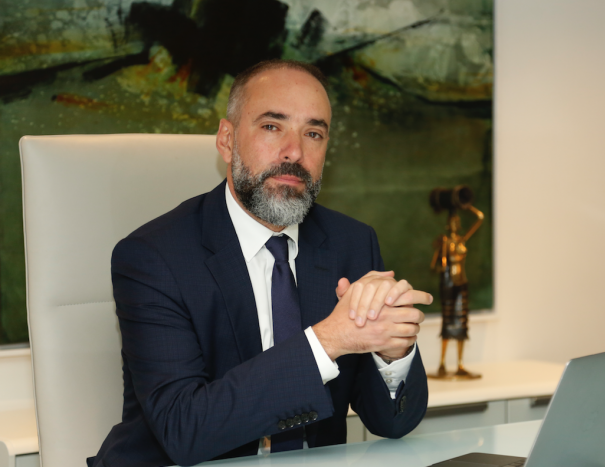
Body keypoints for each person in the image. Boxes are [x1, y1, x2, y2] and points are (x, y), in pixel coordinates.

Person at [89, 60, 432, 467]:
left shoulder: (352, 244)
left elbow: (392, 423)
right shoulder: (154, 257)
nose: (295, 151)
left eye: (314, 133)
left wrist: (392, 354)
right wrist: (328, 341)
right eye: (272, 126)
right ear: (227, 140)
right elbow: (184, 430)